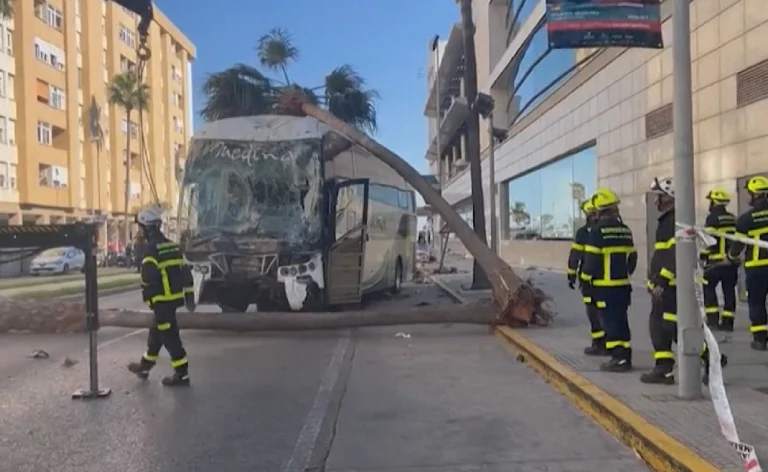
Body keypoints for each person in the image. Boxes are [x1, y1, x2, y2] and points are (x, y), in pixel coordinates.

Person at [640, 177, 726, 385]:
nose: (656, 201)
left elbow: (676, 254)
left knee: (673, 326)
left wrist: (662, 279)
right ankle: (663, 369)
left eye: (659, 196)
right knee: (658, 326)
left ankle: (712, 357)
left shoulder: (674, 222)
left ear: (670, 198)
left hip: (672, 286)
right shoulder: (667, 221)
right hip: (664, 285)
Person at [127, 205, 195, 386]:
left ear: (147, 228)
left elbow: (148, 279)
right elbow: (186, 274)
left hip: (161, 301)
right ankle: (145, 366)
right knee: (156, 333)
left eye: (140, 228)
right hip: (173, 300)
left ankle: (182, 373)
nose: (139, 233)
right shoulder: (173, 247)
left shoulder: (151, 250)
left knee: (170, 336)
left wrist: (150, 300)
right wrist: (189, 297)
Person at [580, 188, 637, 372]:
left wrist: (585, 280)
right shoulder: (625, 230)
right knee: (622, 320)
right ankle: (625, 356)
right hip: (623, 286)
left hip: (604, 288)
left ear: (599, 210)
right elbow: (632, 258)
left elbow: (591, 261)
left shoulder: (597, 232)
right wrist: (624, 274)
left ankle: (618, 358)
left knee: (610, 322)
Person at [727, 175, 768, 351]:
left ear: (756, 195)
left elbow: (738, 244)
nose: (747, 196)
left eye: (749, 193)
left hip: (757, 268)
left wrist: (730, 257)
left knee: (757, 302)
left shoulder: (747, 219)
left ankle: (760, 340)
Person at [566, 199, 606, 356]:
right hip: (606, 280)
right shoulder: (604, 230)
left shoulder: (584, 232)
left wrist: (572, 274)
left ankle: (598, 343)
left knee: (593, 312)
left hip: (589, 280)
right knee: (604, 312)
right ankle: (607, 343)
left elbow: (575, 255)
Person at [700, 188, 738, 331]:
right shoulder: (733, 218)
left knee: (708, 287)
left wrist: (703, 255)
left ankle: (713, 319)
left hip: (715, 261)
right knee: (729, 290)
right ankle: (728, 322)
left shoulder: (712, 219)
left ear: (715, 202)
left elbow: (708, 240)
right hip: (730, 261)